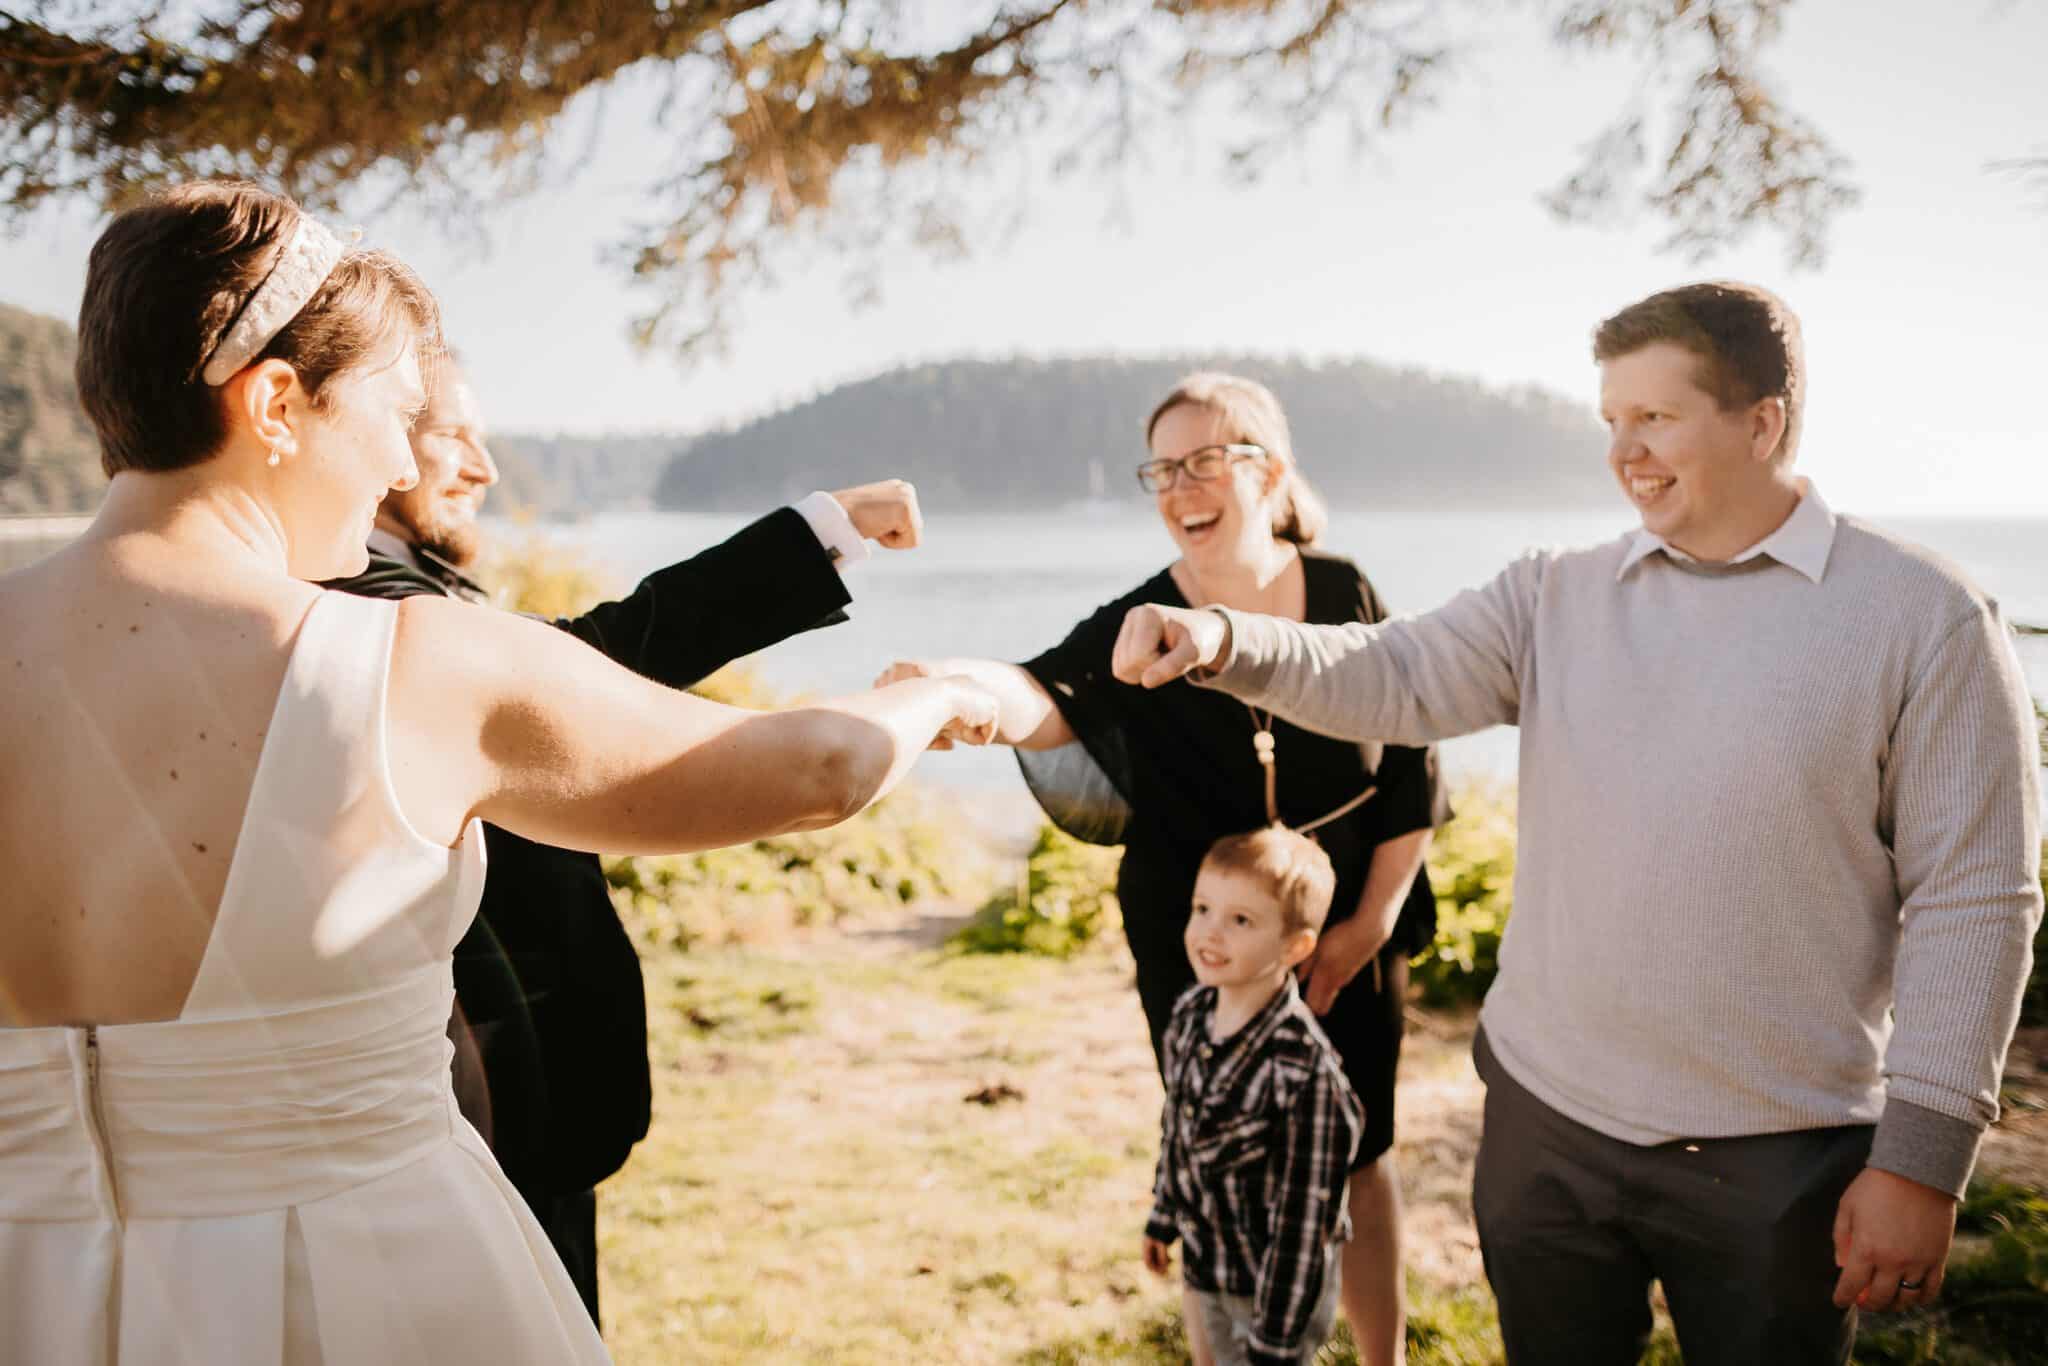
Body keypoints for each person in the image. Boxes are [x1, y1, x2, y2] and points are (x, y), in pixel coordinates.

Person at [0, 180, 998, 1364]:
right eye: (391, 410)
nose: (393, 466)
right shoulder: (406, 658)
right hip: (367, 1288)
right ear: (275, 403)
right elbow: (821, 767)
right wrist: (944, 693)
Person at [1110, 282, 2044, 1365]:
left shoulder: (1920, 617)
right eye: (1609, 420)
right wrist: (1224, 640)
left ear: (1760, 421)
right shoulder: (1557, 594)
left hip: (1778, 1152)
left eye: (1654, 417)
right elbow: (1392, 669)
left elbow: (1974, 896)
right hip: (1543, 1131)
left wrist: (1922, 1159)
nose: (1624, 452)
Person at [323, 346, 927, 1323]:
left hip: (514, 1097)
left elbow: (588, 655)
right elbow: (598, 660)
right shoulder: (367, 612)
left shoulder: (407, 596)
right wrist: (915, 698)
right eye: (454, 437)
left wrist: (822, 532)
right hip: (475, 1100)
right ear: (375, 435)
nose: (483, 467)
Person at [878, 372, 1445, 1364]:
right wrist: (957, 684)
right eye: (1161, 468)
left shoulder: (1347, 590)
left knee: (1360, 1154)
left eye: (1203, 460)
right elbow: (1044, 693)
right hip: (1197, 942)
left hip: (1341, 932)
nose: (1178, 485)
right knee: (1223, 1160)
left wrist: (1367, 927)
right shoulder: (1136, 617)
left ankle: (1380, 1358)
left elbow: (1414, 765)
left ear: (1265, 471)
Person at [1144, 826, 1365, 1366]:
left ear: (1295, 946)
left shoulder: (1303, 1074)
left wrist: (1275, 1340)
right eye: (1203, 908)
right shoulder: (1192, 1016)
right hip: (1204, 1264)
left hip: (1270, 1290)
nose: (1210, 933)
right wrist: (1164, 1214)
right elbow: (1180, 1128)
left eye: (1240, 920)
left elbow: (1305, 1223)